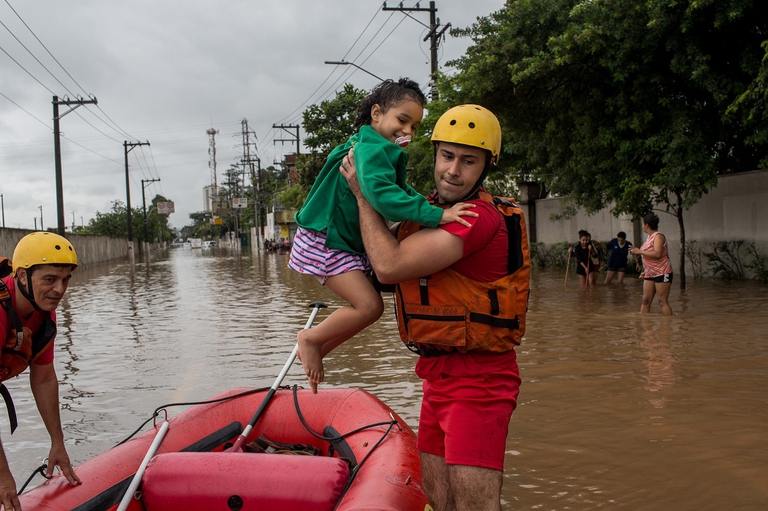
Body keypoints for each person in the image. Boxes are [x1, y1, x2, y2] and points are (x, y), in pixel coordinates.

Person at [340, 104, 529, 511]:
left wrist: (362, 195)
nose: (453, 171)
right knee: (441, 503)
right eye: (447, 156)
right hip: (435, 374)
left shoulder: (475, 217)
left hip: (480, 380)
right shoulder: (425, 209)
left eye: (468, 161)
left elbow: (389, 266)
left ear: (485, 168)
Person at [289, 79, 475, 393]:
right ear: (377, 113)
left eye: (415, 126)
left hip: (341, 239)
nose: (408, 132)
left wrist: (427, 204)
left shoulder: (376, 148)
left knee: (375, 303)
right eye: (402, 121)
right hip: (325, 240)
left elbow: (398, 190)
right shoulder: (371, 150)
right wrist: (439, 214)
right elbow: (381, 196)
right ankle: (310, 338)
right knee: (369, 307)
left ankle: (319, 346)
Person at [0, 232, 82, 510]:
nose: (59, 289)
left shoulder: (43, 310)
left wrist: (57, 443)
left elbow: (44, 378)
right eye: (50, 279)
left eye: (65, 280)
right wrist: (3, 478)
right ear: (22, 276)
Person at [629, 213, 673, 316]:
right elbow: (649, 257)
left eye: (643, 224)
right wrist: (646, 270)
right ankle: (645, 326)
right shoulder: (649, 238)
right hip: (650, 273)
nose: (642, 226)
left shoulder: (658, 236)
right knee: (645, 300)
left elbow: (657, 254)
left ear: (647, 225)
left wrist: (639, 251)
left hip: (662, 272)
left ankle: (668, 327)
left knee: (662, 301)